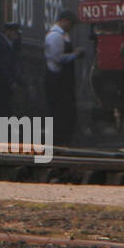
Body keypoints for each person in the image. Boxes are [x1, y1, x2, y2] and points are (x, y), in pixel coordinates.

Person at [43, 9, 84, 146]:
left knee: (65, 112)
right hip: (57, 80)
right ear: (64, 21)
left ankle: (64, 140)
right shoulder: (55, 36)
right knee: (59, 112)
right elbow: (57, 58)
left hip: (62, 80)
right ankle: (59, 141)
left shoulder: (63, 35)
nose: (71, 27)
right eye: (71, 24)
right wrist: (75, 54)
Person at [0, 22, 22, 118]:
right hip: (0, 84)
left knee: (5, 111)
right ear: (8, 31)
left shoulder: (7, 43)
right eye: (14, 33)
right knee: (1, 110)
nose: (16, 36)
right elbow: (2, 65)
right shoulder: (0, 44)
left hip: (3, 84)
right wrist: (10, 81)